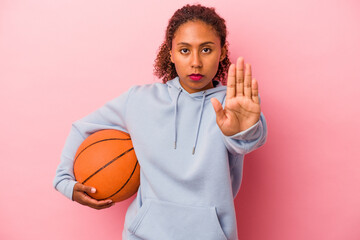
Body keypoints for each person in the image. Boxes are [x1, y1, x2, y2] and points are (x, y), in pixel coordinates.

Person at [53, 4, 267, 240]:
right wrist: (65, 183)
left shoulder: (234, 103)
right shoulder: (140, 100)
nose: (195, 62)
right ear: (171, 53)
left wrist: (244, 131)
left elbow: (250, 139)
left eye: (206, 50)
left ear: (223, 52)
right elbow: (82, 128)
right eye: (185, 50)